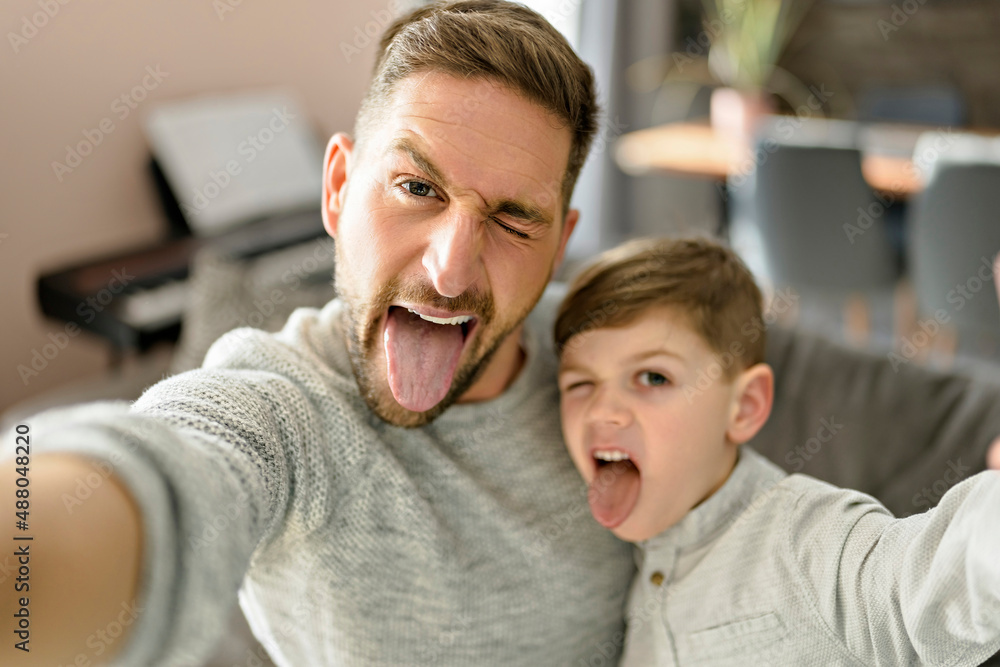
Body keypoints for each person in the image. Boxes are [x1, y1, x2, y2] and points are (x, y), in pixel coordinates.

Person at [3, 1, 1000, 665]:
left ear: (561, 242)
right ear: (340, 184)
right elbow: (159, 471)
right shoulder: (286, 410)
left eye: (511, 220)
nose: (448, 266)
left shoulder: (611, 347)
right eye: (415, 188)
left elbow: (857, 562)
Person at [554, 236, 1000, 666]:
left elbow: (924, 584)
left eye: (653, 378)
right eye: (580, 384)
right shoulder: (631, 575)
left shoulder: (803, 537)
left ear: (744, 407)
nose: (602, 411)